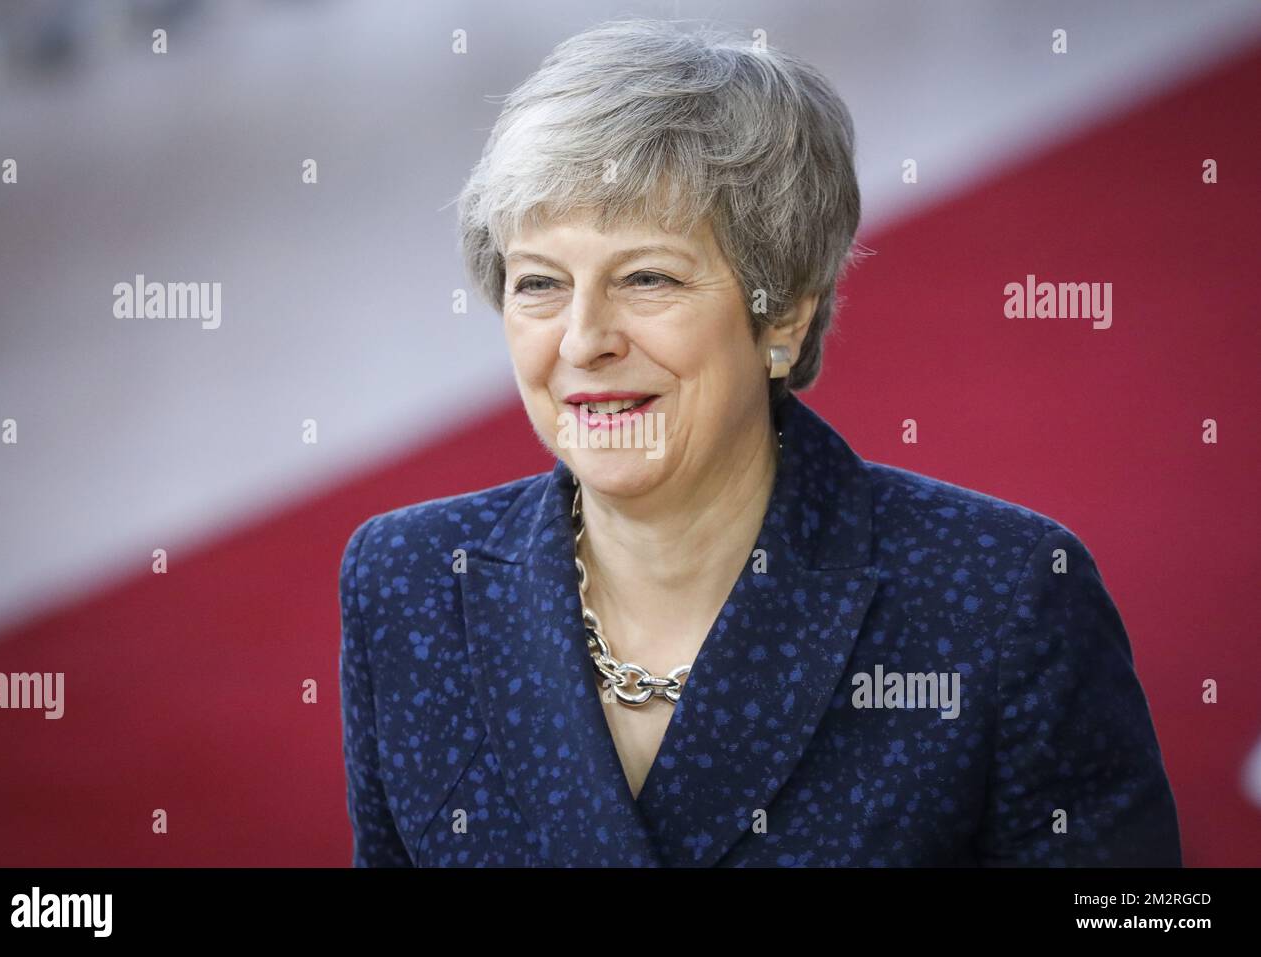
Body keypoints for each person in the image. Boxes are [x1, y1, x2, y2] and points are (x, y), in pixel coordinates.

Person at [339, 18, 1180, 867]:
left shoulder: (1003, 596)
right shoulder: (405, 582)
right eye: (541, 285)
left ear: (783, 315)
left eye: (648, 278)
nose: (582, 338)